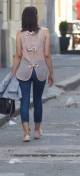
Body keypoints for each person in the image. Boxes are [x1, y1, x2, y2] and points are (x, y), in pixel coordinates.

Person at [10, 7, 54, 142]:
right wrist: (51, 73)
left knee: (24, 101)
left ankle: (25, 134)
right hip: (40, 70)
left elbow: (18, 55)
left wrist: (12, 73)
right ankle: (36, 131)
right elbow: (47, 55)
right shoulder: (45, 32)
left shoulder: (19, 34)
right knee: (37, 100)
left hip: (24, 70)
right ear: (35, 17)